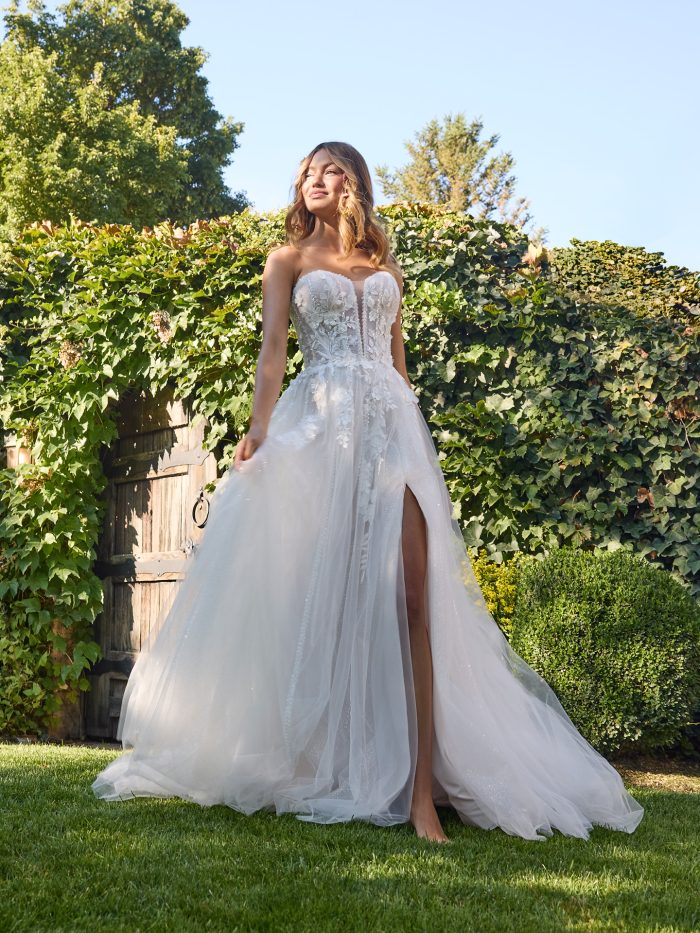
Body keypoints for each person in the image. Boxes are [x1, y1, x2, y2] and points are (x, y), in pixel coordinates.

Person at [92, 141, 644, 844]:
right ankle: (331, 757)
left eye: (332, 170)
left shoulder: (387, 268)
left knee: (415, 600)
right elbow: (271, 353)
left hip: (393, 432)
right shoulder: (285, 261)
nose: (316, 180)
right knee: (324, 599)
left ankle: (420, 791)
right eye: (308, 172)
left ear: (353, 183)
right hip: (319, 431)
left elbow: (397, 364)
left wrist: (412, 437)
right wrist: (258, 431)